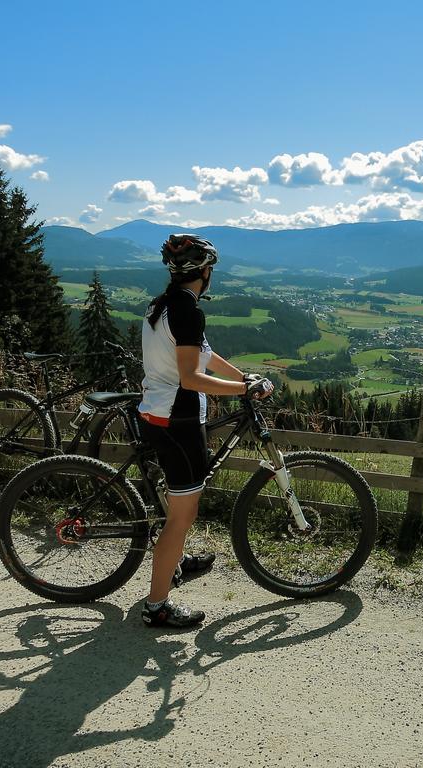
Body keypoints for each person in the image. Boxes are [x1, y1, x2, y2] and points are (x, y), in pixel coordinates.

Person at [137, 234, 274, 628]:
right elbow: (192, 376)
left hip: (161, 413)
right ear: (207, 271)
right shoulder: (187, 311)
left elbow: (205, 354)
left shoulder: (167, 304)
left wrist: (241, 375)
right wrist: (244, 389)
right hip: (177, 420)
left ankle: (175, 560)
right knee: (183, 515)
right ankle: (157, 605)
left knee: (180, 504)